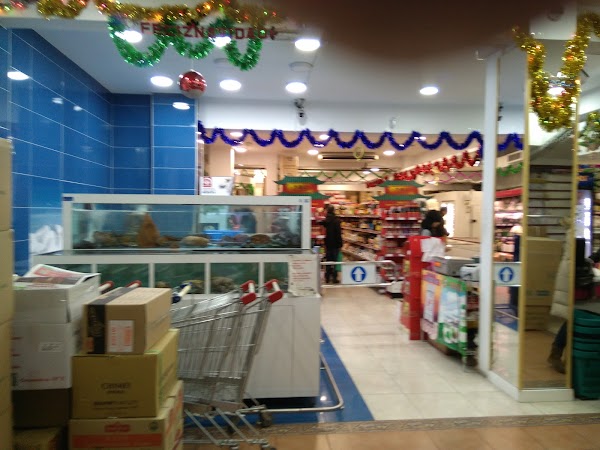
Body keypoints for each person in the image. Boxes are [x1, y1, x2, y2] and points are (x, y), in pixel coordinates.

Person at [323, 205, 343, 284]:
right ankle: (334, 278)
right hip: (335, 244)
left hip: (328, 243)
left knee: (328, 261)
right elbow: (338, 234)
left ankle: (327, 277)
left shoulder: (326, 220)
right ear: (334, 211)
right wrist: (340, 244)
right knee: (335, 261)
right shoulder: (336, 220)